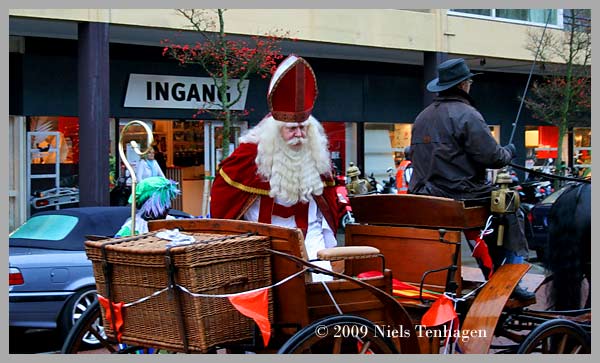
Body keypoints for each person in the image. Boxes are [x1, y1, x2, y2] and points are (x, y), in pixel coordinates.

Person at [408, 58, 534, 301]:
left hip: (423, 195)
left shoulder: (422, 116)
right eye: (469, 82)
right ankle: (505, 279)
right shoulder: (467, 114)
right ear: (463, 85)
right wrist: (510, 151)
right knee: (511, 207)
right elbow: (493, 157)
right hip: (459, 194)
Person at [210, 54, 342, 281]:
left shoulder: (316, 155)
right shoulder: (250, 156)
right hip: (262, 249)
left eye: (303, 128)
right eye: (291, 128)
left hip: (311, 245)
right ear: (275, 130)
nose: (299, 135)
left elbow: (328, 206)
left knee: (322, 291)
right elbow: (224, 200)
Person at [115, 176, 180, 237]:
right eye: (163, 204)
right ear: (148, 206)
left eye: (168, 203)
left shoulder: (172, 223)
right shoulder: (133, 229)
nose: (168, 208)